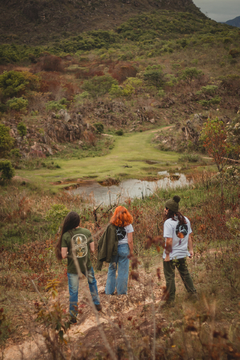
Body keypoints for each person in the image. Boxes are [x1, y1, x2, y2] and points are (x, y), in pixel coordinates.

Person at [55, 211, 101, 324]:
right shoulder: (86, 232)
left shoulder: (66, 235)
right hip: (87, 265)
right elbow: (92, 249)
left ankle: (73, 317)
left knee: (73, 292)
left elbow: (64, 255)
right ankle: (97, 304)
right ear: (79, 221)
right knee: (92, 282)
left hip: (73, 268)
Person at [162, 195, 197, 305]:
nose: (164, 210)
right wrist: (191, 250)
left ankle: (170, 300)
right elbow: (189, 236)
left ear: (169, 210)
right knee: (185, 274)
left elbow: (169, 241)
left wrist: (167, 255)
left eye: (165, 208)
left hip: (171, 255)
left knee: (170, 277)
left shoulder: (168, 223)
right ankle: (194, 295)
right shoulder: (185, 220)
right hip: (182, 253)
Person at [105, 206, 134, 295]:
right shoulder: (128, 225)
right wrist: (131, 251)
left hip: (113, 249)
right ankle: (121, 292)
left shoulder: (111, 225)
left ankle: (109, 292)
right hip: (124, 249)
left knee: (112, 269)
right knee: (123, 271)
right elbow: (130, 241)